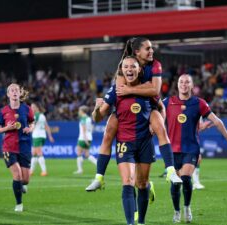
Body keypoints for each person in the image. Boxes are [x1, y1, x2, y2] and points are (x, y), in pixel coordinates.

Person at [86, 37, 181, 192]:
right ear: (137, 52)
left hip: (147, 107)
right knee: (108, 132)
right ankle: (99, 177)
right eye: (148, 48)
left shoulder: (155, 65)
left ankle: (170, 170)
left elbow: (154, 91)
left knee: (160, 128)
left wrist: (132, 90)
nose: (152, 51)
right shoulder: (124, 67)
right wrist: (98, 109)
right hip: (126, 111)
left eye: (151, 48)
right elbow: (120, 91)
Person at [164, 74, 227, 223]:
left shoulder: (199, 103)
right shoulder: (168, 102)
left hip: (191, 149)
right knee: (175, 184)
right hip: (172, 151)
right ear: (177, 84)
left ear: (192, 86)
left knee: (186, 178)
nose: (184, 84)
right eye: (181, 81)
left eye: (187, 82)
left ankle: (187, 207)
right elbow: (156, 116)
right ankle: (176, 211)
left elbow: (217, 121)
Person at [93, 56, 156, 225]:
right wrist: (97, 108)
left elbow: (161, 108)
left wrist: (155, 123)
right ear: (122, 70)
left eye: (133, 66)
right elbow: (98, 117)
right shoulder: (116, 90)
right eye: (126, 66)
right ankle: (131, 223)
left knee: (141, 184)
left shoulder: (148, 88)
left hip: (144, 141)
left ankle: (141, 221)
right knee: (128, 182)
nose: (129, 69)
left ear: (139, 70)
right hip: (124, 142)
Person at [0, 83, 35, 212]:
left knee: (25, 180)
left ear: (19, 93)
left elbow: (32, 122)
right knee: (17, 174)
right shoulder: (3, 111)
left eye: (16, 90)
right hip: (9, 147)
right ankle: (19, 204)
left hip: (24, 146)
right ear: (8, 94)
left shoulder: (27, 109)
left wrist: (30, 128)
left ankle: (20, 186)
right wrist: (7, 128)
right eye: (11, 90)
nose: (14, 92)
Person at [30, 102, 54, 176]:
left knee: (39, 153)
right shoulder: (42, 116)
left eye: (33, 107)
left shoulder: (36, 115)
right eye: (31, 107)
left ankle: (44, 171)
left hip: (37, 136)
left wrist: (27, 130)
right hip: (42, 136)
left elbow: (33, 126)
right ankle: (31, 171)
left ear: (37, 108)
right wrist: (50, 136)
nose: (31, 108)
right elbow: (46, 126)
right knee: (34, 153)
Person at [73, 105, 97, 174]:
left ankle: (80, 170)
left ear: (82, 111)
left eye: (79, 111)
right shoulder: (89, 118)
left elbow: (83, 129)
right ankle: (98, 164)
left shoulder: (83, 118)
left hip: (83, 138)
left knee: (79, 153)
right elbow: (92, 128)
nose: (78, 112)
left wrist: (85, 139)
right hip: (89, 137)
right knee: (87, 154)